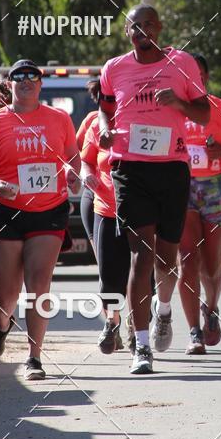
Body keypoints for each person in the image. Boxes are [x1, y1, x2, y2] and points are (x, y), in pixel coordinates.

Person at [99, 5, 210, 375]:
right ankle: (141, 345)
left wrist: (177, 103)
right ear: (126, 32)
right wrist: (104, 127)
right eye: (135, 25)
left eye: (148, 24)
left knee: (166, 258)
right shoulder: (114, 69)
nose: (142, 30)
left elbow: (204, 114)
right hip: (129, 167)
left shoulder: (183, 64)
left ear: (160, 28)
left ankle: (164, 311)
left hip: (172, 168)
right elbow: (106, 108)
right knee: (140, 255)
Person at [0, 59, 80, 380]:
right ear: (10, 84)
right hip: (6, 211)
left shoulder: (59, 119)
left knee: (39, 286)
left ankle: (34, 358)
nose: (25, 80)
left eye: (32, 76)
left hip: (49, 211)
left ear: (40, 83)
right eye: (18, 76)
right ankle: (1, 326)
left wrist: (73, 174)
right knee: (3, 295)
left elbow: (72, 157)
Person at [179, 55, 221, 355]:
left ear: (206, 77)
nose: (194, 80)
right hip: (180, 188)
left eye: (199, 75)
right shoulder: (169, 110)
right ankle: (194, 331)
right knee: (187, 261)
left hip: (216, 187)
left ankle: (212, 308)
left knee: (211, 263)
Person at [80, 108, 129, 355]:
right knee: (108, 270)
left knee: (137, 271)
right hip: (99, 200)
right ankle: (112, 323)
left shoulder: (146, 115)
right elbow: (80, 156)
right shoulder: (92, 120)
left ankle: (138, 324)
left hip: (137, 207)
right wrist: (85, 175)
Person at [76, 79, 100, 250]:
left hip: (128, 197)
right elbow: (75, 153)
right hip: (94, 195)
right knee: (104, 264)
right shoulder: (92, 120)